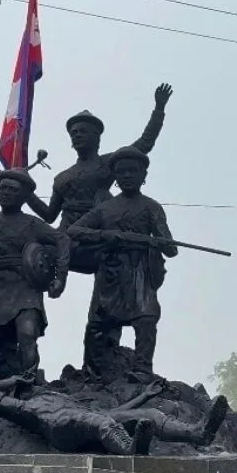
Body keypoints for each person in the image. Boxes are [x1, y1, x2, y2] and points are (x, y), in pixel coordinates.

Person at [25, 84, 173, 273]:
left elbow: (144, 143)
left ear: (97, 137)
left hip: (100, 233)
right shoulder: (61, 178)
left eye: (82, 131)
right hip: (67, 235)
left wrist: (159, 110)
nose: (76, 135)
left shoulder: (109, 163)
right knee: (29, 248)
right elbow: (49, 215)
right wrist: (27, 192)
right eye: (73, 132)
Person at [68, 146, 177, 379]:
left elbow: (170, 246)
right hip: (110, 271)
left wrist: (162, 243)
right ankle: (93, 372)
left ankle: (143, 368)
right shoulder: (104, 209)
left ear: (143, 176)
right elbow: (74, 229)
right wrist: (104, 235)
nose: (127, 175)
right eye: (121, 171)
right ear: (115, 177)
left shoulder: (152, 207)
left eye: (132, 171)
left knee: (146, 317)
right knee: (97, 324)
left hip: (140, 271)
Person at [0, 167, 70, 375]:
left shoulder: (33, 224)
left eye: (12, 189)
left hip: (27, 284)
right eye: (2, 188)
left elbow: (62, 239)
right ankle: (0, 381)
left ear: (25, 195)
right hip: (1, 287)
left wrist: (60, 277)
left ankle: (30, 382)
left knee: (27, 333)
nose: (5, 193)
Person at [0, 373, 156, 455]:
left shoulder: (65, 399)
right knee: (97, 421)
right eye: (29, 383)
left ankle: (185, 434)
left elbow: (112, 414)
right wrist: (12, 380)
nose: (36, 384)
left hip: (81, 424)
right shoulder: (22, 406)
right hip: (58, 429)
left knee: (109, 420)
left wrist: (145, 396)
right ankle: (130, 450)